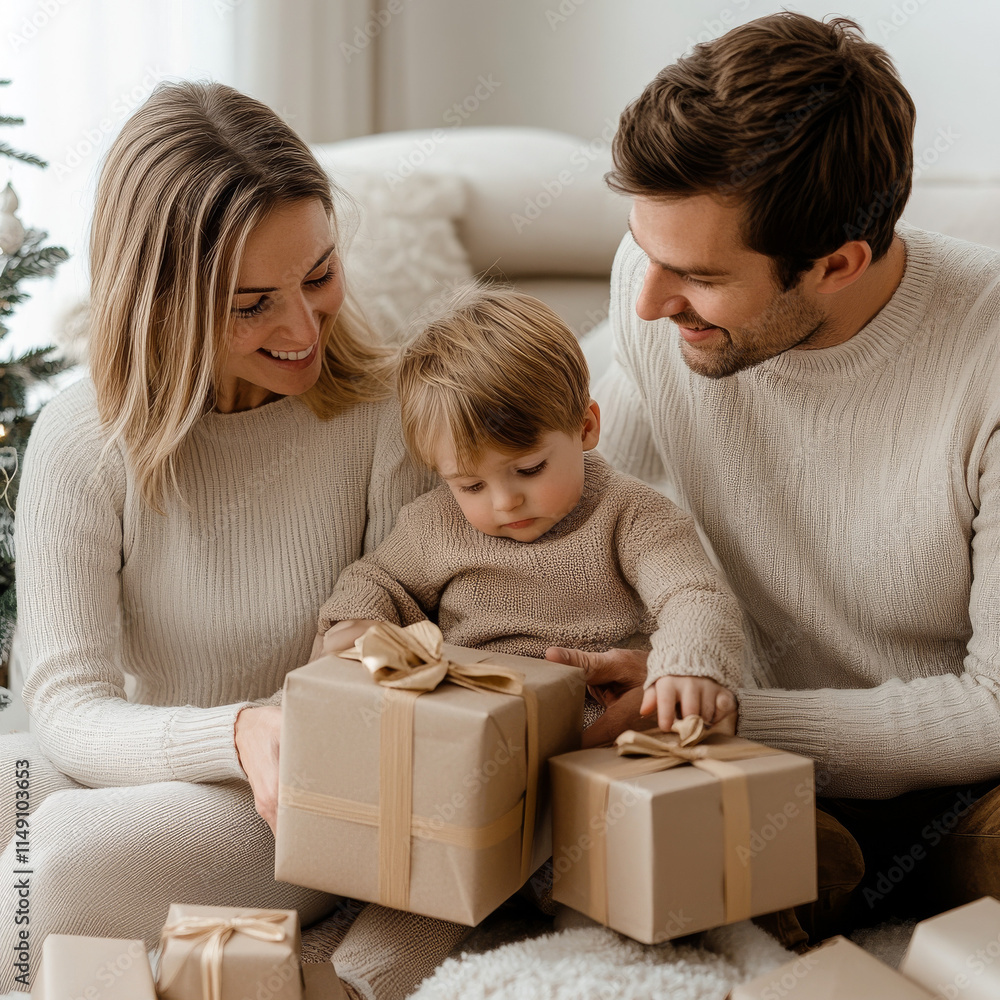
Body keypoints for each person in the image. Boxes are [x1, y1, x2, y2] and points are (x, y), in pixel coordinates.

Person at [0, 81, 465, 998]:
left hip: (309, 796)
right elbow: (64, 708)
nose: (301, 329)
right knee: (20, 800)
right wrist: (241, 730)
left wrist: (276, 743)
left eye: (319, 274)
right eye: (251, 303)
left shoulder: (383, 416)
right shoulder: (82, 439)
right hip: (155, 756)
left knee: (52, 862)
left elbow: (427, 686)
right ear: (158, 300)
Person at [547, 12, 1000, 946]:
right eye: (645, 250)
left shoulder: (983, 361)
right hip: (758, 763)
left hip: (969, 776)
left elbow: (991, 710)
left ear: (838, 264)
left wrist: (731, 707)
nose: (647, 299)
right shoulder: (659, 299)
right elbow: (574, 483)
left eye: (697, 276)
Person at [314, 287, 744, 741]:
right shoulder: (435, 524)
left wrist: (686, 664)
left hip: (601, 724)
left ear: (586, 427)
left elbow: (692, 594)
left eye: (529, 469)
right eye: (471, 485)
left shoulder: (633, 515)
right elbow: (378, 578)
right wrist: (357, 621)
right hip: (464, 725)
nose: (504, 501)